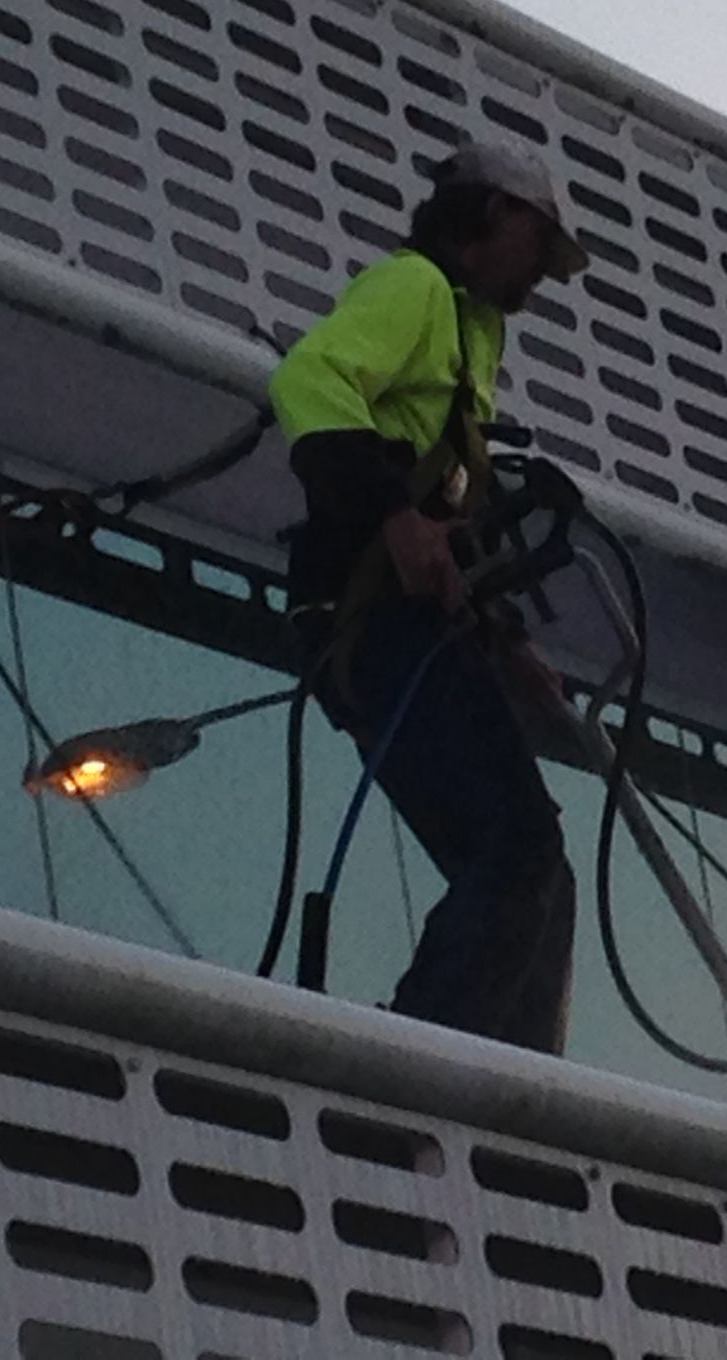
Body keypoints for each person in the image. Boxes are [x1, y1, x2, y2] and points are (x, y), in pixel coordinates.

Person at [267, 142, 591, 1053]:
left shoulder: (473, 331)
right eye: (538, 239)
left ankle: (510, 1083)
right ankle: (425, 1064)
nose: (544, 271)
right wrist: (395, 521)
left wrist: (507, 638)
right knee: (519, 849)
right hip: (366, 615)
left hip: (405, 625)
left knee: (538, 869)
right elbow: (309, 382)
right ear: (489, 218)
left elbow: (449, 503)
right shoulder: (414, 288)